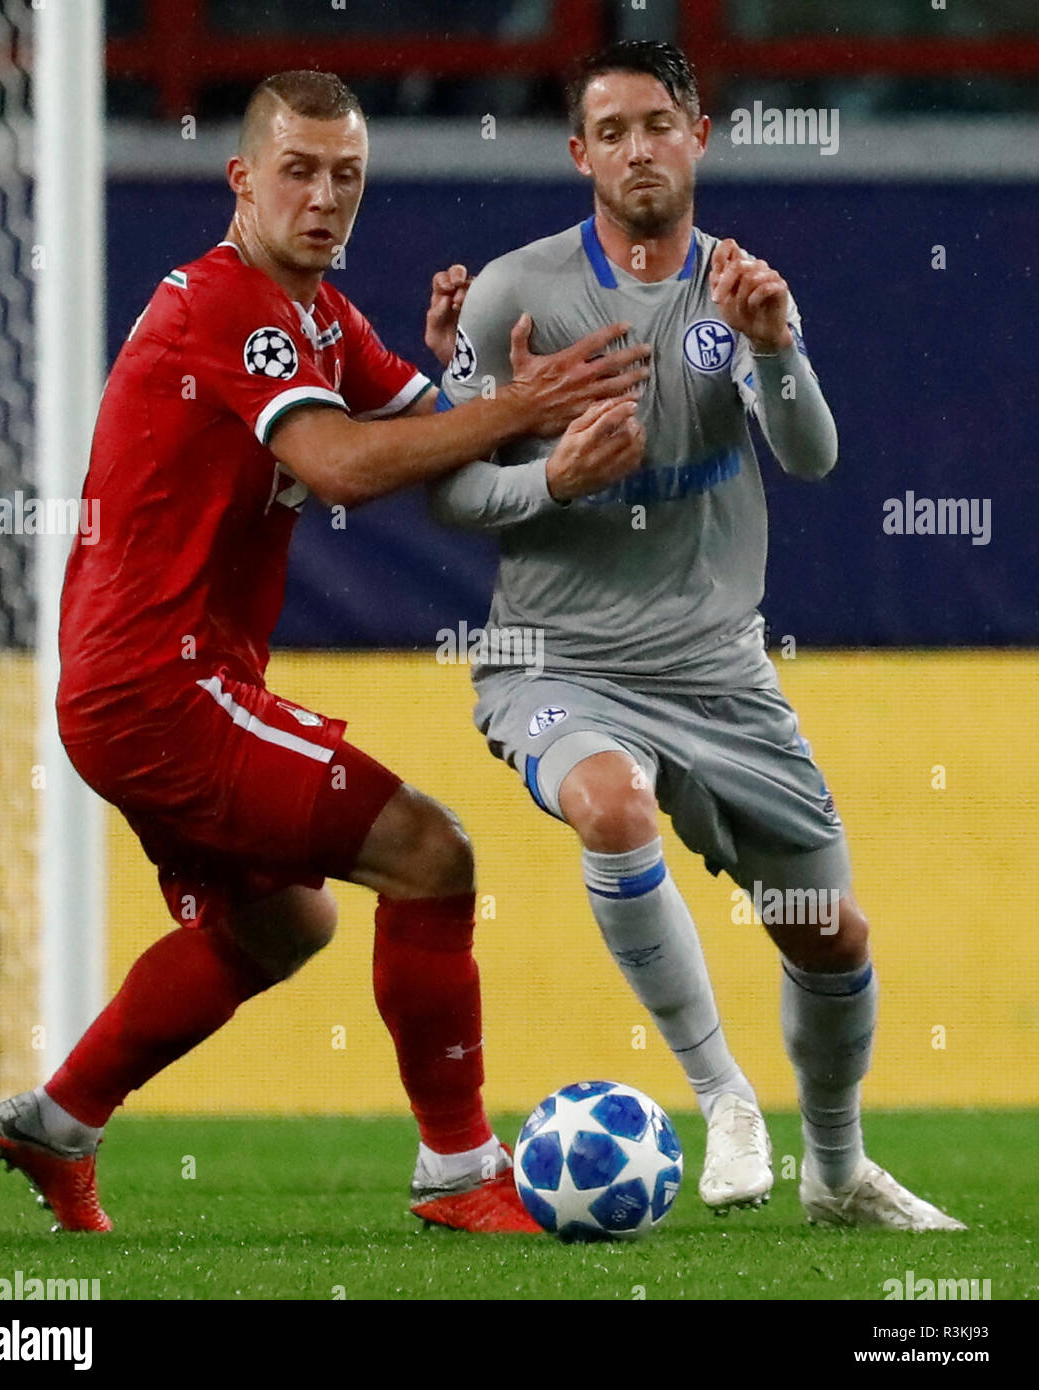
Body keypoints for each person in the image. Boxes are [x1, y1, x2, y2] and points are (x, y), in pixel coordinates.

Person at [0, 68, 650, 1236]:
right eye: (299, 170)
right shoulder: (227, 302)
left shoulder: (320, 322)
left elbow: (423, 439)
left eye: (347, 175)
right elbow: (342, 467)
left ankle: (60, 1118)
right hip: (161, 684)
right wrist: (513, 411)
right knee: (431, 852)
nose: (325, 196)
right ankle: (457, 1168)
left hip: (151, 685)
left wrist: (489, 392)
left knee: (286, 921)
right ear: (242, 179)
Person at [428, 40, 964, 1230]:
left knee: (830, 935)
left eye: (657, 124)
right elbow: (452, 490)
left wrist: (775, 346)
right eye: (610, 130)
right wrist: (551, 479)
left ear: (699, 135)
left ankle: (835, 1173)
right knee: (611, 808)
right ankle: (723, 1098)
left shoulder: (744, 289)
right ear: (579, 154)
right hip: (556, 661)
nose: (636, 149)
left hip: (721, 672)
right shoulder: (516, 293)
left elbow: (814, 458)